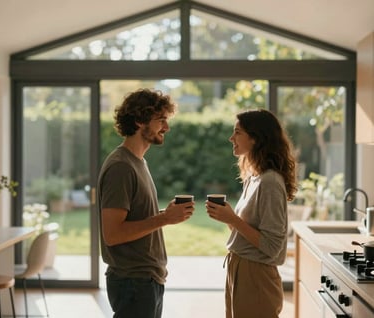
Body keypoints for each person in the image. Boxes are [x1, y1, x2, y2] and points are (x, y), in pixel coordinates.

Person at [97, 88, 195, 318]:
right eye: (161, 120)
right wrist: (164, 218)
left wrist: (167, 215)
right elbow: (112, 233)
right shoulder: (121, 167)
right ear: (140, 121)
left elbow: (135, 219)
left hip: (145, 280)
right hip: (133, 282)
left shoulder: (138, 162)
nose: (167, 128)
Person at [206, 109, 297, 318]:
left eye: (237, 132)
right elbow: (247, 232)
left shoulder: (270, 182)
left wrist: (233, 219)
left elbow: (272, 247)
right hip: (239, 269)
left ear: (255, 138)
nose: (231, 138)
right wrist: (227, 218)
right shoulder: (253, 178)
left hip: (256, 276)